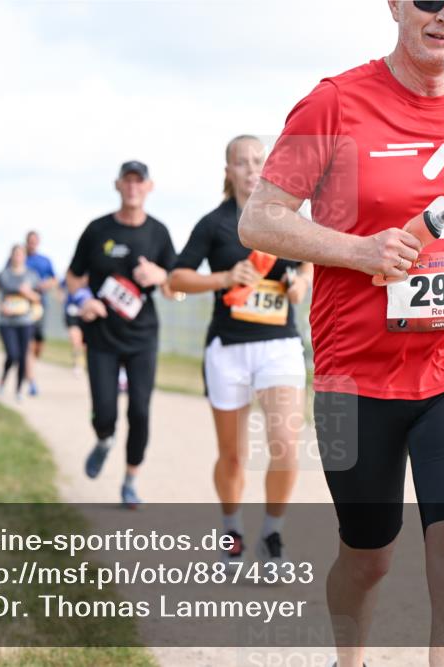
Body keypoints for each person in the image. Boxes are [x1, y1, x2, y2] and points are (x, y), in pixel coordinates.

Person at [238, 2, 444, 665]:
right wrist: (360, 251)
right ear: (394, 5)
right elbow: (260, 221)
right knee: (368, 555)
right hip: (356, 379)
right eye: (429, 0)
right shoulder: (334, 103)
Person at [168, 135, 312, 567]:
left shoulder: (286, 217)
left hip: (280, 346)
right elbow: (177, 279)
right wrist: (226, 277)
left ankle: (272, 534)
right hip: (228, 348)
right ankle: (231, 529)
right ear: (228, 171)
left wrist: (301, 281)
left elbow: (310, 262)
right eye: (241, 162)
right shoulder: (213, 224)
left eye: (258, 161)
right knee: (233, 456)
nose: (251, 169)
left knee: (286, 445)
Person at [66, 160, 177, 509]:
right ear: (118, 186)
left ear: (149, 187)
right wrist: (84, 300)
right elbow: (72, 278)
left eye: (138, 181)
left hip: (142, 336)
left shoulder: (158, 233)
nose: (132, 187)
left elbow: (176, 285)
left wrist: (161, 275)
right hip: (101, 336)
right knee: (105, 412)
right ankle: (103, 441)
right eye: (127, 181)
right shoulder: (97, 230)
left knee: (140, 412)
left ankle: (130, 481)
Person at [0, 245, 41, 402]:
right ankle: (3, 380)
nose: (18, 257)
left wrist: (28, 293)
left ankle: (19, 389)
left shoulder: (31, 275)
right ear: (11, 256)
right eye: (15, 254)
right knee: (12, 354)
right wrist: (0, 306)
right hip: (6, 322)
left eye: (21, 254)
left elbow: (37, 298)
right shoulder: (4, 275)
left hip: (25, 321)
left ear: (24, 257)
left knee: (22, 356)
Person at [24, 231, 58, 396]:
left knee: (39, 343)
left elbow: (54, 279)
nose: (32, 244)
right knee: (28, 345)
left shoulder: (45, 261)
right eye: (30, 241)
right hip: (22, 308)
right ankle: (31, 380)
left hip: (40, 306)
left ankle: (30, 365)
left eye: (35, 241)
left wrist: (45, 285)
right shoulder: (19, 258)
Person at [62, 278, 89, 376]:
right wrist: (62, 298)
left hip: (86, 313)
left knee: (85, 344)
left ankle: (87, 364)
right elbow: (60, 285)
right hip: (72, 313)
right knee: (75, 340)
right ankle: (77, 364)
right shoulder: (72, 273)